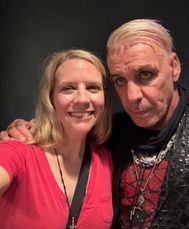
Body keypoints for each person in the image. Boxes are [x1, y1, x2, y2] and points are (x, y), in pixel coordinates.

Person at [1, 19, 189, 229]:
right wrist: (25, 130)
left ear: (174, 66)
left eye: (145, 74)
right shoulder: (110, 134)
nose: (132, 95)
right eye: (120, 81)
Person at [0, 49, 113, 229]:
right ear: (51, 98)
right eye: (68, 88)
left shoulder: (107, 161)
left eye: (93, 87)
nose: (82, 99)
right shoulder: (19, 151)